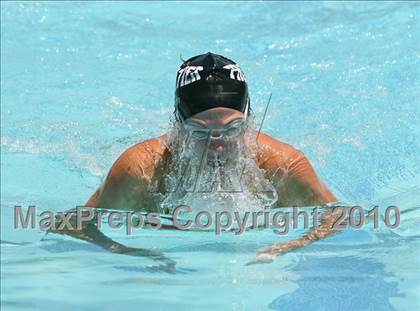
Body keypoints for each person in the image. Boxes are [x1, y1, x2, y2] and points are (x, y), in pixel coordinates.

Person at [50, 52, 340, 265]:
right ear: (179, 126)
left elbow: (339, 218)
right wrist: (131, 254)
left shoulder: (283, 166)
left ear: (249, 122)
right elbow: (71, 225)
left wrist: (287, 247)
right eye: (200, 133)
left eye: (232, 129)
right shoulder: (139, 170)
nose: (218, 146)